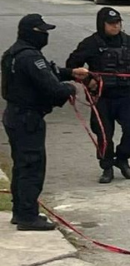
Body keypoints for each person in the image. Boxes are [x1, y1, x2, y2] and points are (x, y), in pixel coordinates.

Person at [2, 14, 88, 230]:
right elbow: (51, 88)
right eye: (43, 31)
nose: (46, 35)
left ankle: (20, 211)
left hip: (14, 115)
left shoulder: (12, 53)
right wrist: (69, 89)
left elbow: (47, 73)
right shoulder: (30, 57)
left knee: (21, 165)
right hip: (28, 118)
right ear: (31, 32)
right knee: (32, 166)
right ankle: (28, 216)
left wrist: (69, 73)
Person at [67, 7, 130, 184]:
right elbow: (72, 65)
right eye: (111, 24)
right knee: (104, 134)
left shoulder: (129, 41)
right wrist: (88, 80)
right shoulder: (90, 43)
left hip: (125, 96)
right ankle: (107, 166)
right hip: (101, 97)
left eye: (118, 23)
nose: (115, 26)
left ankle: (122, 159)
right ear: (102, 24)